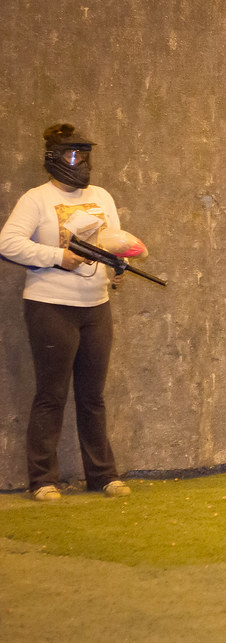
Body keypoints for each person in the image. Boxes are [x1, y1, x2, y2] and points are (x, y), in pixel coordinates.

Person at [0, 123, 131, 501]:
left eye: (85, 156)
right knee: (51, 395)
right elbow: (8, 244)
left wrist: (116, 267)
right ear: (54, 159)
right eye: (74, 155)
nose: (82, 163)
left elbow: (111, 243)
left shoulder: (102, 196)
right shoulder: (36, 199)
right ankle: (42, 479)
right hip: (50, 307)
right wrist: (59, 257)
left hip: (96, 306)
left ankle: (102, 474)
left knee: (93, 395)